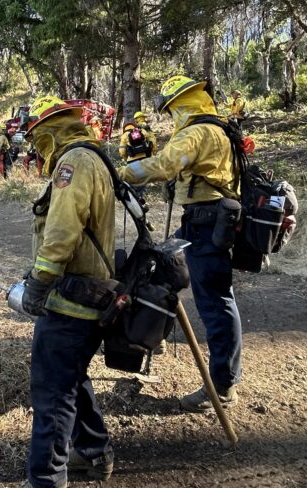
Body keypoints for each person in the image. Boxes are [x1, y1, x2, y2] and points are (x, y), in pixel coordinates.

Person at [119, 75, 242, 412]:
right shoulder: (217, 127)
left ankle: (222, 385)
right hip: (203, 220)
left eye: (173, 111)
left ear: (182, 106)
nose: (172, 118)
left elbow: (164, 165)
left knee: (216, 304)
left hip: (207, 224)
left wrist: (121, 173)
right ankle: (148, 337)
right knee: (166, 274)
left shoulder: (197, 131)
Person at [20, 95, 116, 487]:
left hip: (71, 302)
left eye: (36, 137)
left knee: (52, 394)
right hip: (89, 295)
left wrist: (39, 283)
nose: (35, 146)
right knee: (73, 378)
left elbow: (62, 230)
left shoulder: (73, 162)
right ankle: (96, 454)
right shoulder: (93, 157)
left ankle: (45, 479)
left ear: (49, 130)